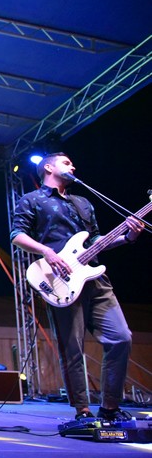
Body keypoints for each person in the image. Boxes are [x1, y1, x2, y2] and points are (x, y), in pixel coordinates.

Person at [10, 153, 144, 422]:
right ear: (48, 167)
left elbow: (96, 241)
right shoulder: (32, 199)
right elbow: (17, 235)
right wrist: (47, 251)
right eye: (66, 162)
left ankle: (109, 407)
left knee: (121, 337)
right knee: (73, 348)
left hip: (95, 279)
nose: (73, 166)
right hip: (61, 280)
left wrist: (128, 237)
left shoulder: (82, 202)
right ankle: (82, 410)